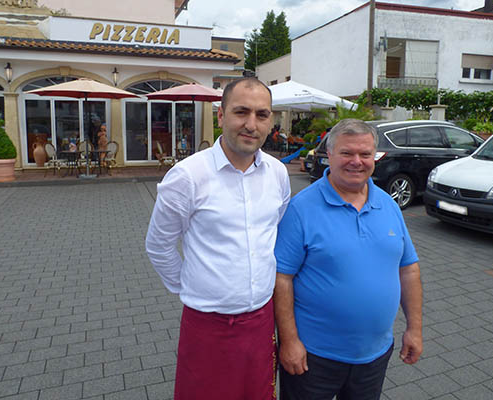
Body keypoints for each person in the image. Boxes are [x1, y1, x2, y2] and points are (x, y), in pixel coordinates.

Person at [145, 77, 290, 400]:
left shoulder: (278, 174)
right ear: (220, 116)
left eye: (262, 115)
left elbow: (272, 230)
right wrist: (190, 286)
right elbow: (159, 245)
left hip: (262, 321)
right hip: (207, 325)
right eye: (241, 112)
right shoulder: (187, 176)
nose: (251, 124)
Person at [274, 118, 423, 400]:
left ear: (374, 157)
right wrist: (290, 341)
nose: (357, 161)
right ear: (328, 155)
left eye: (365, 154)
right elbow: (282, 278)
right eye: (347, 153)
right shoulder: (302, 208)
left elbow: (408, 269)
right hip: (313, 356)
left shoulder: (388, 205)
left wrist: (414, 329)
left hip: (374, 355)